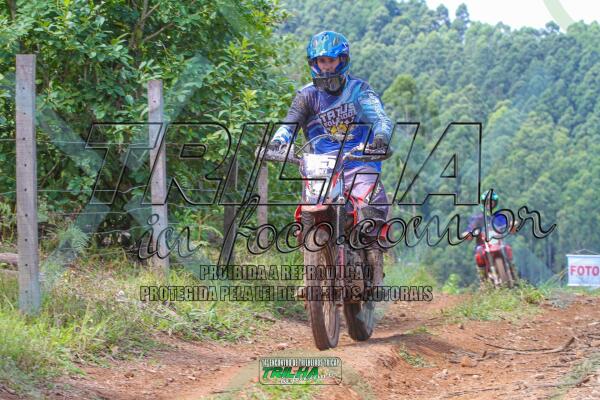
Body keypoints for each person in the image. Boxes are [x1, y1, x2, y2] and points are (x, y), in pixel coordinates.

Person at [267, 31, 393, 288]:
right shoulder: (306, 95)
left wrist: (381, 137)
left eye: (331, 60)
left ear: (342, 60)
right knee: (307, 213)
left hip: (358, 160)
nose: (326, 66)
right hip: (320, 167)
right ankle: (310, 273)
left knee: (371, 205)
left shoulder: (359, 90)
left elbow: (380, 117)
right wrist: (278, 142)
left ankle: (373, 262)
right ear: (314, 63)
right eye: (321, 61)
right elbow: (289, 124)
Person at [465, 190, 514, 285]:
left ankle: (512, 272)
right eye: (487, 202)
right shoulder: (478, 218)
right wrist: (468, 233)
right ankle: (483, 280)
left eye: (491, 202)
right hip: (483, 244)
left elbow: (507, 225)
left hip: (498, 242)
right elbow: (471, 228)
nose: (489, 205)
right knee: (479, 254)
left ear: (495, 203)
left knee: (508, 249)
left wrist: (512, 225)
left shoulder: (500, 216)